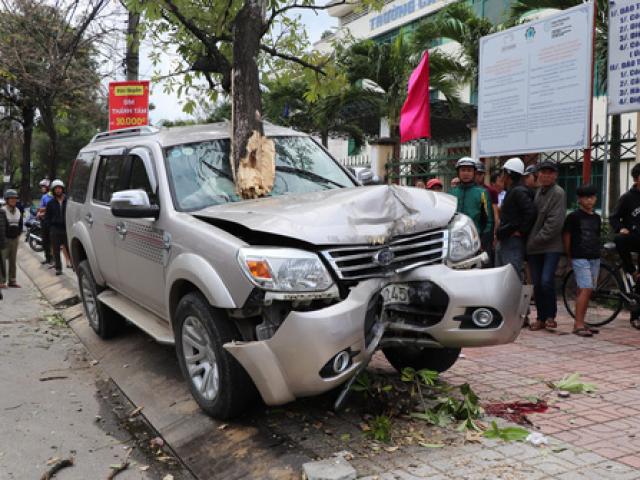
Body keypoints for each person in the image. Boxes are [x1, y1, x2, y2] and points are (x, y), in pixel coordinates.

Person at [527, 159, 566, 331]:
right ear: (538, 174)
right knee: (536, 283)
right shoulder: (537, 192)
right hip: (534, 247)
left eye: (550, 172)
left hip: (550, 245)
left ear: (555, 175)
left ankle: (551, 316)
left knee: (546, 281)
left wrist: (534, 240)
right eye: (543, 172)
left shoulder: (558, 193)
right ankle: (541, 317)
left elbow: (554, 224)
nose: (545, 175)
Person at [563, 185, 601, 336]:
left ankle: (582, 322)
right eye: (586, 197)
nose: (590, 200)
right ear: (579, 199)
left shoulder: (597, 217)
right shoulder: (573, 217)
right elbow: (567, 236)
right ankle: (577, 324)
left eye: (592, 197)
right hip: (579, 256)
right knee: (586, 288)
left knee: (586, 290)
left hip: (595, 257)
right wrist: (569, 255)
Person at [495, 157, 536, 280]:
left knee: (511, 275)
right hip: (506, 237)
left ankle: (513, 299)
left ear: (509, 174)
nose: (502, 176)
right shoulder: (514, 190)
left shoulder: (518, 191)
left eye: (504, 172)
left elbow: (530, 212)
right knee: (502, 275)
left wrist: (521, 231)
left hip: (512, 240)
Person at [610, 163, 640, 328]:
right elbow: (614, 217)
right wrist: (621, 228)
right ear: (637, 179)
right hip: (632, 239)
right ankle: (631, 270)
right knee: (620, 240)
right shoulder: (628, 198)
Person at [450, 157, 494, 258]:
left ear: (474, 172)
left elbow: (489, 221)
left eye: (469, 170)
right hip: (454, 243)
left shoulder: (482, 193)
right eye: (463, 170)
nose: (466, 173)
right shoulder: (451, 193)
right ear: (458, 172)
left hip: (475, 242)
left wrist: (483, 242)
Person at [45, 179, 70, 275]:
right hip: (55, 229)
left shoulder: (68, 201)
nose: (58, 190)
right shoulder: (50, 203)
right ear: (53, 190)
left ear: (62, 189)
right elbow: (47, 217)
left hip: (66, 227)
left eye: (59, 188)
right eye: (56, 189)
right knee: (56, 250)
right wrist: (50, 228)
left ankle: (73, 264)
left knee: (69, 247)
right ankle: (58, 268)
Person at [0, 190, 23, 288]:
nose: (13, 200)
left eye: (15, 198)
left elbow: (20, 224)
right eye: (11, 198)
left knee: (13, 261)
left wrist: (19, 234)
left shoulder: (18, 211)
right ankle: (1, 281)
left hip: (15, 239)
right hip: (5, 238)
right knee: (2, 261)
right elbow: (1, 226)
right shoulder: (2, 210)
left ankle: (12, 280)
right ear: (7, 200)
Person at [37, 179, 53, 265]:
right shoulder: (43, 196)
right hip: (43, 221)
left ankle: (52, 258)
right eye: (41, 187)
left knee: (51, 241)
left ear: (47, 187)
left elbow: (50, 207)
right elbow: (40, 208)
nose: (42, 188)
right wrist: (39, 213)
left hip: (49, 221)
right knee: (45, 241)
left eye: (43, 187)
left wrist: (42, 210)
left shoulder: (50, 196)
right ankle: (47, 258)